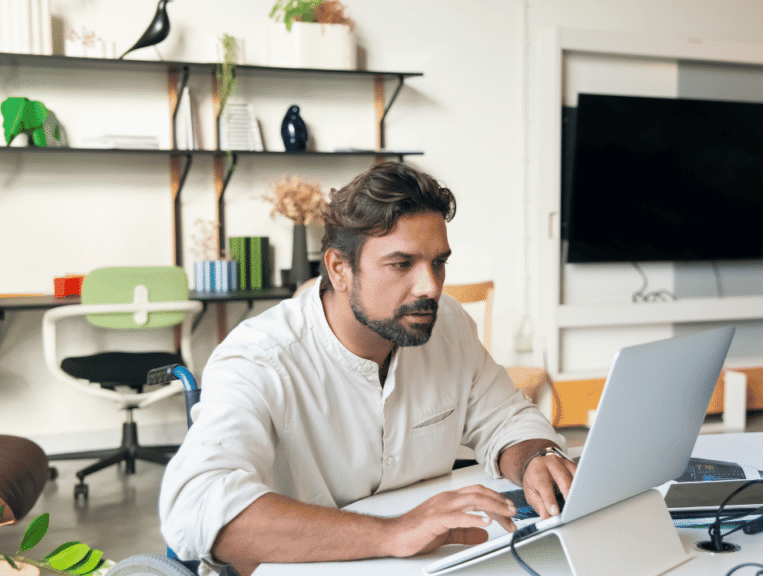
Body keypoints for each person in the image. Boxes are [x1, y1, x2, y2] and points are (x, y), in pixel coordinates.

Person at [159, 162, 576, 576]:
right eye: (401, 264)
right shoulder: (260, 357)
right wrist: (393, 533)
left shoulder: (446, 324)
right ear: (339, 269)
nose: (430, 286)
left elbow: (506, 418)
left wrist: (536, 455)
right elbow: (196, 508)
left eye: (438, 263)